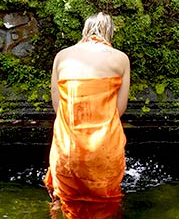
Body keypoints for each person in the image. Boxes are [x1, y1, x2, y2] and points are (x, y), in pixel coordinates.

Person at [45, 13, 131, 219]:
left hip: (67, 148)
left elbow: (58, 108)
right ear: (109, 33)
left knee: (61, 200)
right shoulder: (121, 59)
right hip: (104, 151)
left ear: (85, 30)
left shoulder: (62, 56)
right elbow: (119, 109)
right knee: (108, 206)